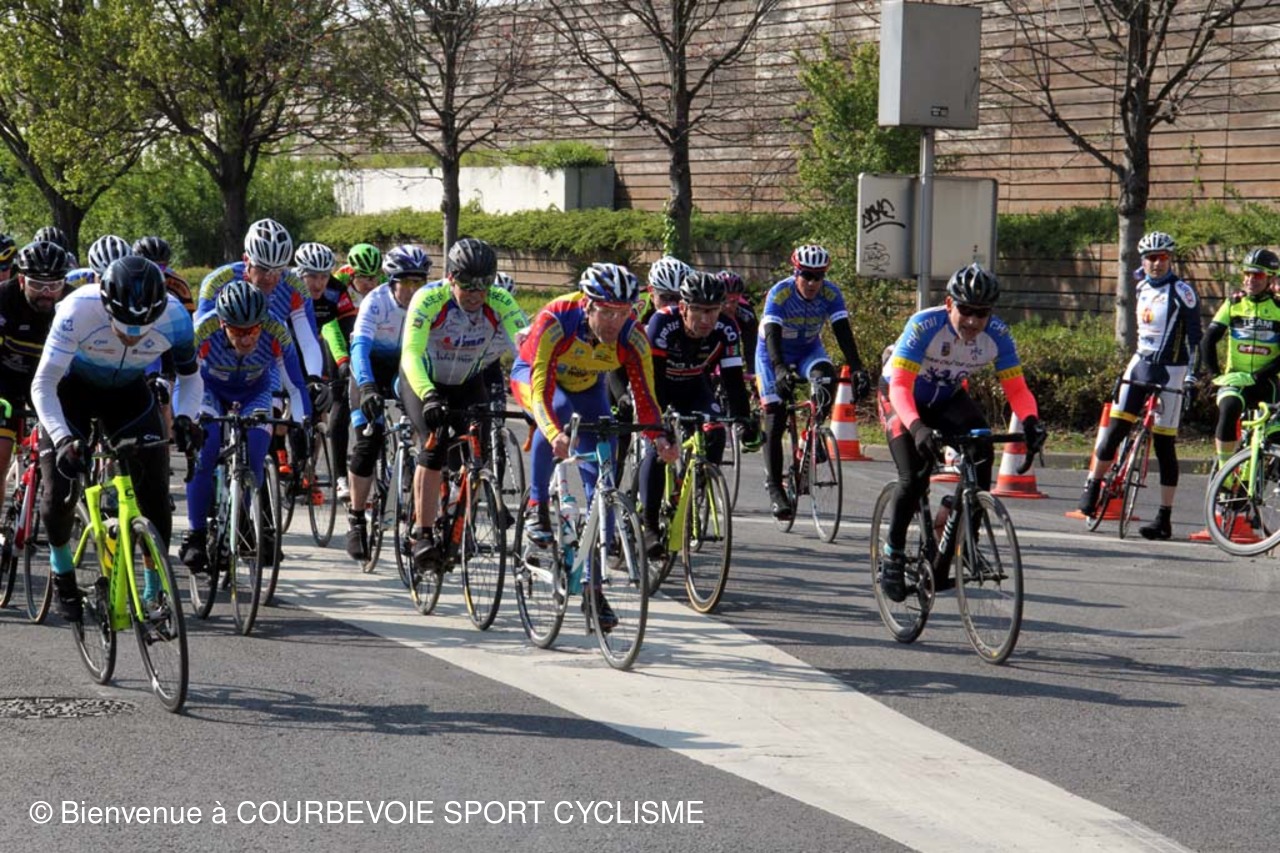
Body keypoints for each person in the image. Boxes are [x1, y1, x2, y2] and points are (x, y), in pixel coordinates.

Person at [32, 256, 203, 621]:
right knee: (57, 492)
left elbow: (191, 378)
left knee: (155, 492)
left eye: (142, 328)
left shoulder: (175, 316)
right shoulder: (77, 308)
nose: (132, 335)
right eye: (123, 326)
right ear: (106, 304)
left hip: (128, 395)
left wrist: (187, 418)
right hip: (71, 393)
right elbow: (43, 383)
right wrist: (62, 439)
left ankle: (154, 586)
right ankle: (62, 571)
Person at [511, 262, 677, 630]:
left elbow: (646, 398)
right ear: (588, 305)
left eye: (624, 312)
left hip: (588, 388)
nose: (616, 321)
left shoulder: (633, 335)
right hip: (534, 378)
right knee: (556, 414)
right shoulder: (557, 319)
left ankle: (593, 588)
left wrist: (660, 437)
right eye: (608, 312)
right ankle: (537, 506)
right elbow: (541, 390)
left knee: (602, 479)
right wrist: (553, 433)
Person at [877, 263, 1045, 602]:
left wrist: (1030, 421)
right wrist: (917, 428)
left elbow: (1016, 388)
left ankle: (965, 537)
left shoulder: (998, 335)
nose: (972, 320)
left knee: (982, 448)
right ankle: (893, 554)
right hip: (901, 398)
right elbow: (900, 387)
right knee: (914, 475)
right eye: (966, 310)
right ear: (949, 304)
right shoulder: (924, 325)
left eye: (981, 313)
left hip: (947, 398)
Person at [398, 238, 525, 570]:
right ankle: (422, 533)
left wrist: (535, 401)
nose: (476, 293)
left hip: (468, 381)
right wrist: (428, 395)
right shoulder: (429, 299)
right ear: (451, 277)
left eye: (485, 284)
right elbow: (410, 354)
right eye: (468, 284)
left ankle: (459, 523)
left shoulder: (500, 301)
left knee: (477, 455)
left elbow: (526, 353)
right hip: (424, 380)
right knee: (434, 446)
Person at [1077, 231, 1202, 540]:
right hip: (1141, 364)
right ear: (1143, 260)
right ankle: (1093, 485)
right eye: (1150, 258)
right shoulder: (1141, 285)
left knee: (1164, 446)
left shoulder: (1183, 292)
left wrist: (1191, 377)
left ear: (1170, 259)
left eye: (1162, 257)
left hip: (1171, 370)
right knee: (1115, 430)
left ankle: (1164, 517)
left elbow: (1196, 339)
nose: (1156, 263)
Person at [179, 279, 307, 574]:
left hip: (256, 389)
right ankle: (196, 533)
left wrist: (301, 422)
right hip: (208, 389)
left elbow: (295, 384)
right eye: (238, 331)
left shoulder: (276, 330)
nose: (247, 339)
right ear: (223, 324)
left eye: (253, 330)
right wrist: (184, 418)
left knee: (256, 451)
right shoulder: (203, 329)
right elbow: (183, 381)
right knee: (206, 449)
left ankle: (241, 521)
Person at [198, 219, 326, 469]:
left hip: (263, 363)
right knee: (208, 443)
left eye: (279, 270)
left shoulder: (293, 287)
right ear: (247, 260)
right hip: (218, 366)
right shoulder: (218, 282)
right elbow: (201, 336)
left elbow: (308, 340)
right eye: (264, 269)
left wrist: (313, 379)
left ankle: (265, 480)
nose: (271, 278)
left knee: (266, 426)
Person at [640, 270, 754, 552]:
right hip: (660, 385)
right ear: (683, 308)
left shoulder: (727, 328)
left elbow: (733, 380)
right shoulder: (662, 322)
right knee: (659, 447)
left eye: (713, 311)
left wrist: (745, 419)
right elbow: (654, 379)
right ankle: (649, 525)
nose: (706, 319)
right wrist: (660, 427)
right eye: (699, 311)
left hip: (694, 386)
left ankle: (697, 487)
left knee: (716, 432)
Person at [756, 245, 871, 519]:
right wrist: (779, 369)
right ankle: (775, 488)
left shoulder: (831, 293)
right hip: (773, 353)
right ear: (796, 273)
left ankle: (811, 434)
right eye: (806, 275)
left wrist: (857, 368)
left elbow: (842, 331)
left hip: (808, 349)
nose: (812, 283)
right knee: (775, 414)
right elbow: (771, 334)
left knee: (826, 376)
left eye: (818, 277)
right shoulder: (780, 293)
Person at [345, 245, 432, 562]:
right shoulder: (375, 301)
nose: (413, 289)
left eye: (419, 282)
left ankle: (416, 507)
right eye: (406, 282)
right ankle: (356, 518)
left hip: (403, 369)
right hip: (369, 369)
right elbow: (359, 349)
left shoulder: (427, 303)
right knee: (368, 443)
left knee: (424, 428)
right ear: (392, 281)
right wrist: (367, 387)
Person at [0, 241, 72, 519]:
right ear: (21, 280)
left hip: (49, 381)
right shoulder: (4, 298)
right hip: (6, 379)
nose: (46, 292)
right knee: (1, 453)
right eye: (37, 284)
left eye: (54, 285)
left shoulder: (72, 303)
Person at [1199, 248, 1280, 467]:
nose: (1250, 279)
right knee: (1229, 407)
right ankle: (1225, 471)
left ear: (1270, 278)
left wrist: (1257, 376)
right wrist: (1215, 376)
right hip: (1236, 378)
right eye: (1247, 273)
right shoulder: (1233, 303)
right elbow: (1208, 341)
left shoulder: (1278, 308)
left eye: (1258, 275)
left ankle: (1263, 470)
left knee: (1275, 433)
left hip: (1267, 381)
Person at [294, 241, 357, 499]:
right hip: (286, 344)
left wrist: (350, 363)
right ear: (300, 274)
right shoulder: (290, 288)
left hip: (316, 344)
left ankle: (306, 468)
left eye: (323, 276)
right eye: (312, 277)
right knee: (285, 404)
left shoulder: (336, 290)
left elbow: (348, 326)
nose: (319, 283)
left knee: (317, 403)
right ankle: (281, 455)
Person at [134, 235, 195, 314]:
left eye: (160, 267)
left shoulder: (177, 283)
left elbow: (189, 316)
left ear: (167, 265)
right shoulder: (127, 279)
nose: (154, 271)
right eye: (149, 266)